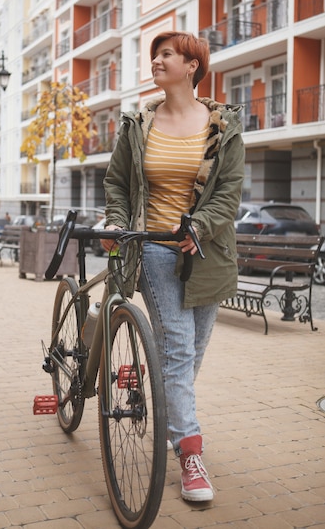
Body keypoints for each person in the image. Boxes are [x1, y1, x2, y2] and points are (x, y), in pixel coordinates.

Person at [102, 31, 245, 503]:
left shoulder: (224, 126)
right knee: (180, 350)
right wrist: (119, 224)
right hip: (154, 247)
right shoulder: (137, 124)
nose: (157, 61)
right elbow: (118, 184)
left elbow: (228, 194)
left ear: (191, 66)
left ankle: (163, 403)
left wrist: (200, 226)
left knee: (191, 351)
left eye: (167, 54)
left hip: (206, 251)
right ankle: (190, 455)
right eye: (155, 55)